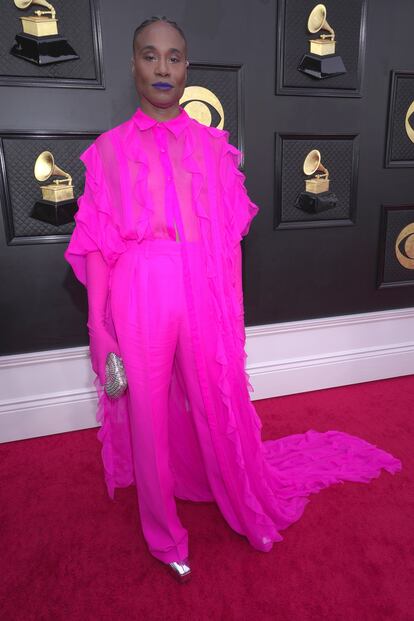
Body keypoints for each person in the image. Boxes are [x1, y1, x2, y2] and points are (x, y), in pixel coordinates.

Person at [64, 16, 402, 583]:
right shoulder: (107, 153)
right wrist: (100, 328)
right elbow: (96, 246)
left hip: (201, 289)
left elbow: (228, 241)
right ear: (133, 66)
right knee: (146, 417)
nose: (163, 67)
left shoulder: (214, 149)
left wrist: (227, 312)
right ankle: (162, 533)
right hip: (139, 289)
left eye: (174, 57)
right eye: (150, 56)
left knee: (215, 401)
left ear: (187, 68)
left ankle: (241, 500)